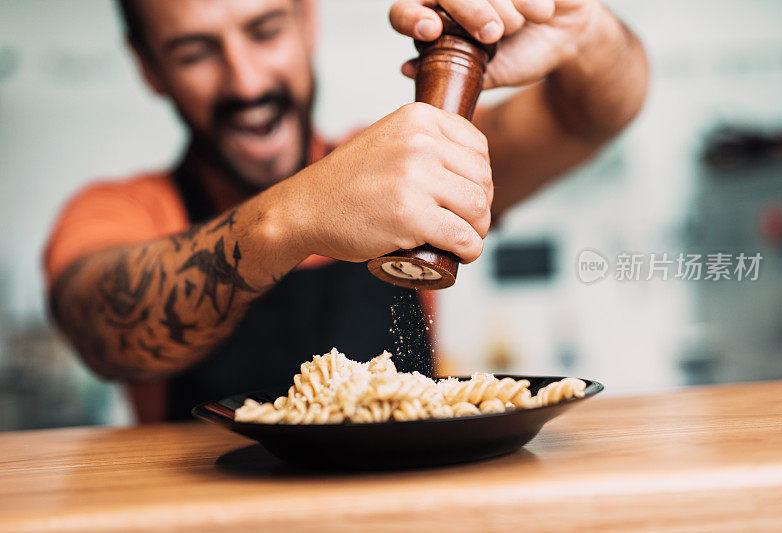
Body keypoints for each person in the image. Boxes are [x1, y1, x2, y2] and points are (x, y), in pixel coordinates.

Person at [44, 0, 648, 421]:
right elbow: (101, 328)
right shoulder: (121, 210)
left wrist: (581, 28)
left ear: (309, 20)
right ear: (150, 67)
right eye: (194, 51)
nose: (246, 81)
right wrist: (297, 212)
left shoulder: (408, 177)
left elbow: (590, 114)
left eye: (264, 30)